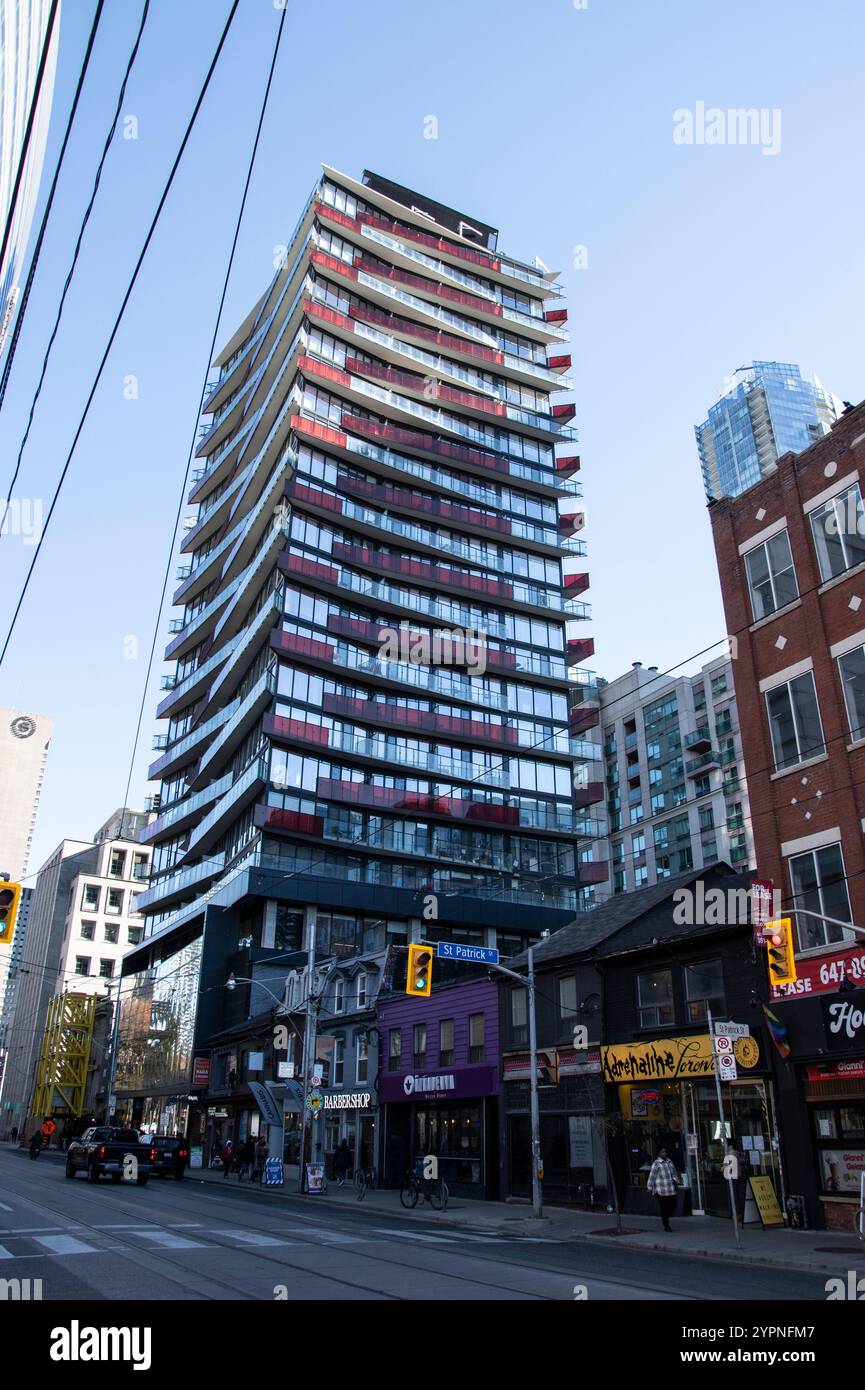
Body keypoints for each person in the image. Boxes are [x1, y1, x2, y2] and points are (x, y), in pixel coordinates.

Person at [646, 1147, 681, 1232]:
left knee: (674, 1205)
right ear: (659, 1153)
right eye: (662, 1152)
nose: (664, 1153)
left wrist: (676, 1180)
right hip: (661, 1190)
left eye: (665, 1152)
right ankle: (666, 1225)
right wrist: (649, 1187)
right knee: (664, 1207)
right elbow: (652, 1176)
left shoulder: (669, 1161)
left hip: (670, 1188)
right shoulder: (656, 1163)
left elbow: (674, 1173)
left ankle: (665, 1216)